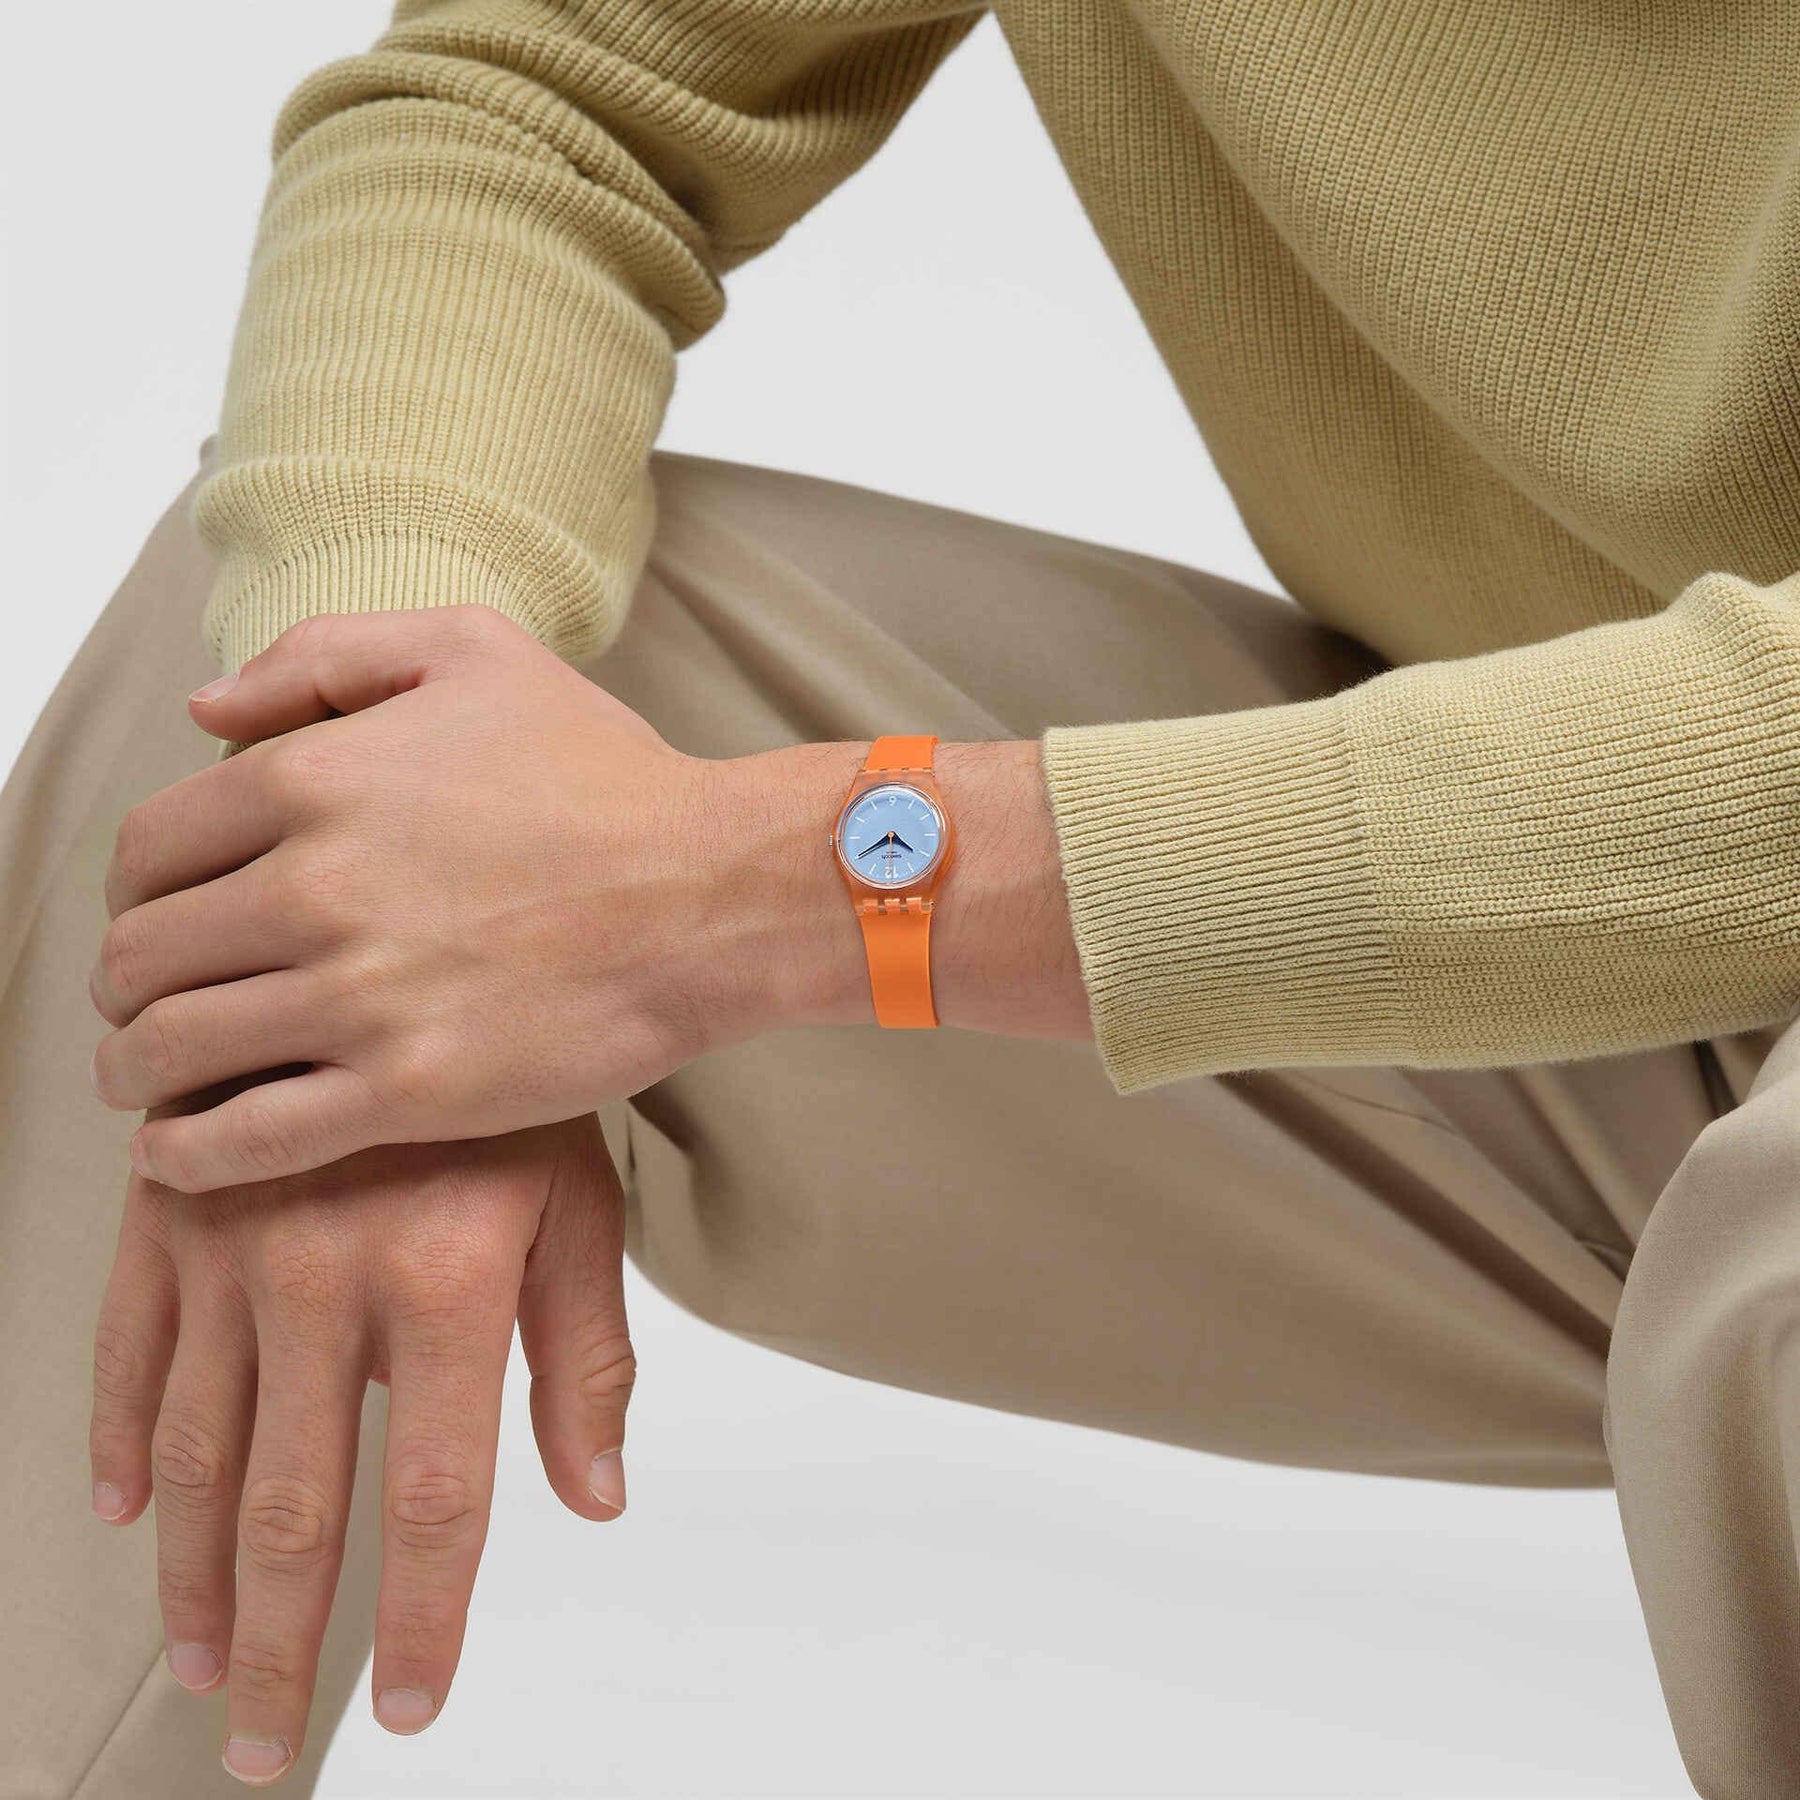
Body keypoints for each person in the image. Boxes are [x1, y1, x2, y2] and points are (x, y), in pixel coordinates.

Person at [5, 1, 1800, 1793]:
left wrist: (763, 888)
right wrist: (373, 934)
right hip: (1508, 970)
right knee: (285, 779)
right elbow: (543, 93)